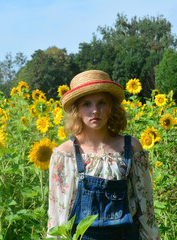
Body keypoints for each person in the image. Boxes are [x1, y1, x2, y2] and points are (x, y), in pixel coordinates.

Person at [47, 70, 160, 240]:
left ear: (111, 107)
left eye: (102, 103)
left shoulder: (131, 147)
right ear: (77, 109)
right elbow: (57, 215)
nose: (95, 111)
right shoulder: (65, 154)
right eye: (86, 104)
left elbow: (146, 207)